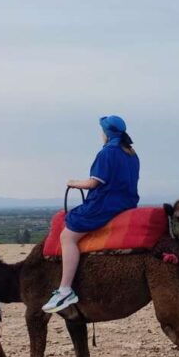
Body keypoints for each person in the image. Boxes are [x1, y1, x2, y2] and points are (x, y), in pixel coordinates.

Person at [42, 115, 140, 313]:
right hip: (127, 204)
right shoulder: (131, 153)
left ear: (106, 133)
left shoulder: (107, 153)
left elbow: (94, 183)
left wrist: (73, 182)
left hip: (105, 205)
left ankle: (65, 290)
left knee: (67, 236)